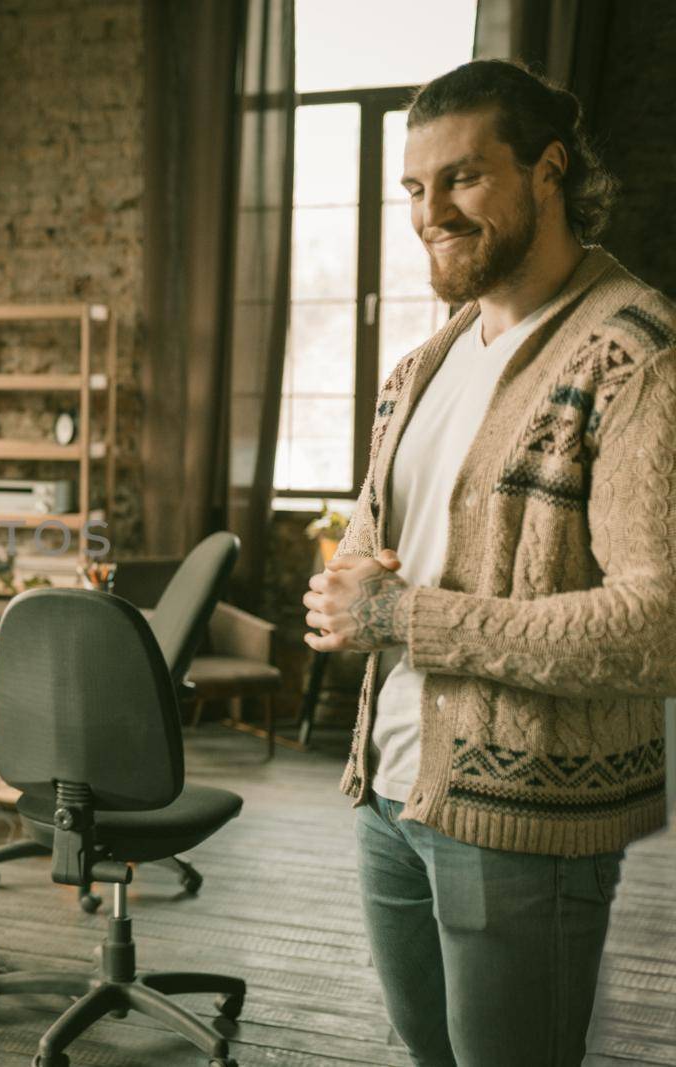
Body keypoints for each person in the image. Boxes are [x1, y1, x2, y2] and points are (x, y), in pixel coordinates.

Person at [302, 60, 673, 1067]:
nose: (431, 212)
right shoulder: (420, 365)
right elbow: (394, 548)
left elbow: (655, 627)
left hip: (527, 818)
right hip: (389, 794)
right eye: (415, 189)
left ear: (547, 169)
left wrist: (395, 617)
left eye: (461, 178)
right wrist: (345, 591)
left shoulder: (636, 354)